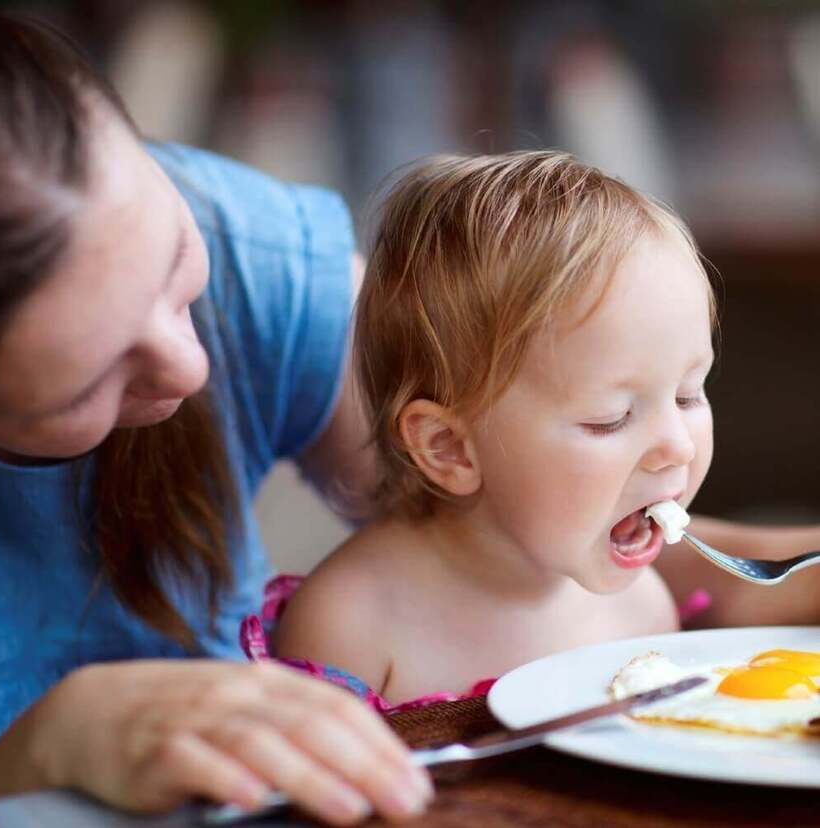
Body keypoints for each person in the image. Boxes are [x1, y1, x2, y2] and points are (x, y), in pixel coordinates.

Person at [0, 12, 433, 825]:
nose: (191, 369)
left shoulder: (251, 250)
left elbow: (511, 526)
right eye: (82, 385)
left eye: (173, 263)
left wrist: (726, 579)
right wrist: (38, 752)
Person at [254, 151, 820, 709]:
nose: (678, 443)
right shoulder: (352, 626)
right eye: (611, 418)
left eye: (688, 394)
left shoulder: (641, 607)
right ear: (450, 447)